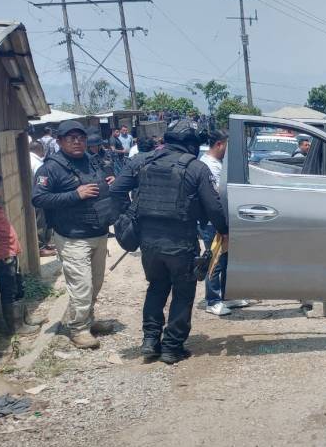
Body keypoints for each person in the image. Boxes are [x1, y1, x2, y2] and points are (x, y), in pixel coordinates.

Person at [110, 120, 228, 364]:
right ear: (190, 144)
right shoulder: (196, 168)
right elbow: (214, 208)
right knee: (183, 293)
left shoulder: (142, 161)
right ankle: (172, 347)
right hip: (181, 242)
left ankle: (150, 341)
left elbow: (116, 190)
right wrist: (224, 231)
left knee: (156, 287)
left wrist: (131, 213)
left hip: (149, 242)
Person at [32, 121, 117, 348]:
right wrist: (75, 195)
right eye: (70, 138)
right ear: (59, 141)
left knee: (95, 283)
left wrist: (111, 182)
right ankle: (78, 329)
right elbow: (38, 199)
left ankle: (88, 320)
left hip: (98, 233)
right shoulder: (50, 168)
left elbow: (101, 184)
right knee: (82, 286)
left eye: (80, 137)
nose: (77, 141)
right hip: (72, 237)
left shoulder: (91, 161)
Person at [0, 172, 45, 335]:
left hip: (9, 254)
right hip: (0, 256)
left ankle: (25, 318)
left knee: (18, 286)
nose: (0, 193)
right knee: (9, 290)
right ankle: (16, 326)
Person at [197, 130, 247, 316]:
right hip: (212, 222)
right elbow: (216, 197)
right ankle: (213, 300)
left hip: (223, 220)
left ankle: (226, 295)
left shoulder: (218, 164)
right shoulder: (207, 165)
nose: (228, 150)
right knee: (215, 260)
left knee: (226, 259)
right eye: (227, 145)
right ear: (219, 144)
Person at [28, 141, 56, 257]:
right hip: (41, 196)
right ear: (40, 149)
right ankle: (41, 247)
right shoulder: (38, 163)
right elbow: (43, 182)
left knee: (40, 222)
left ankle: (45, 244)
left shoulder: (29, 158)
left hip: (33, 196)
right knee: (41, 223)